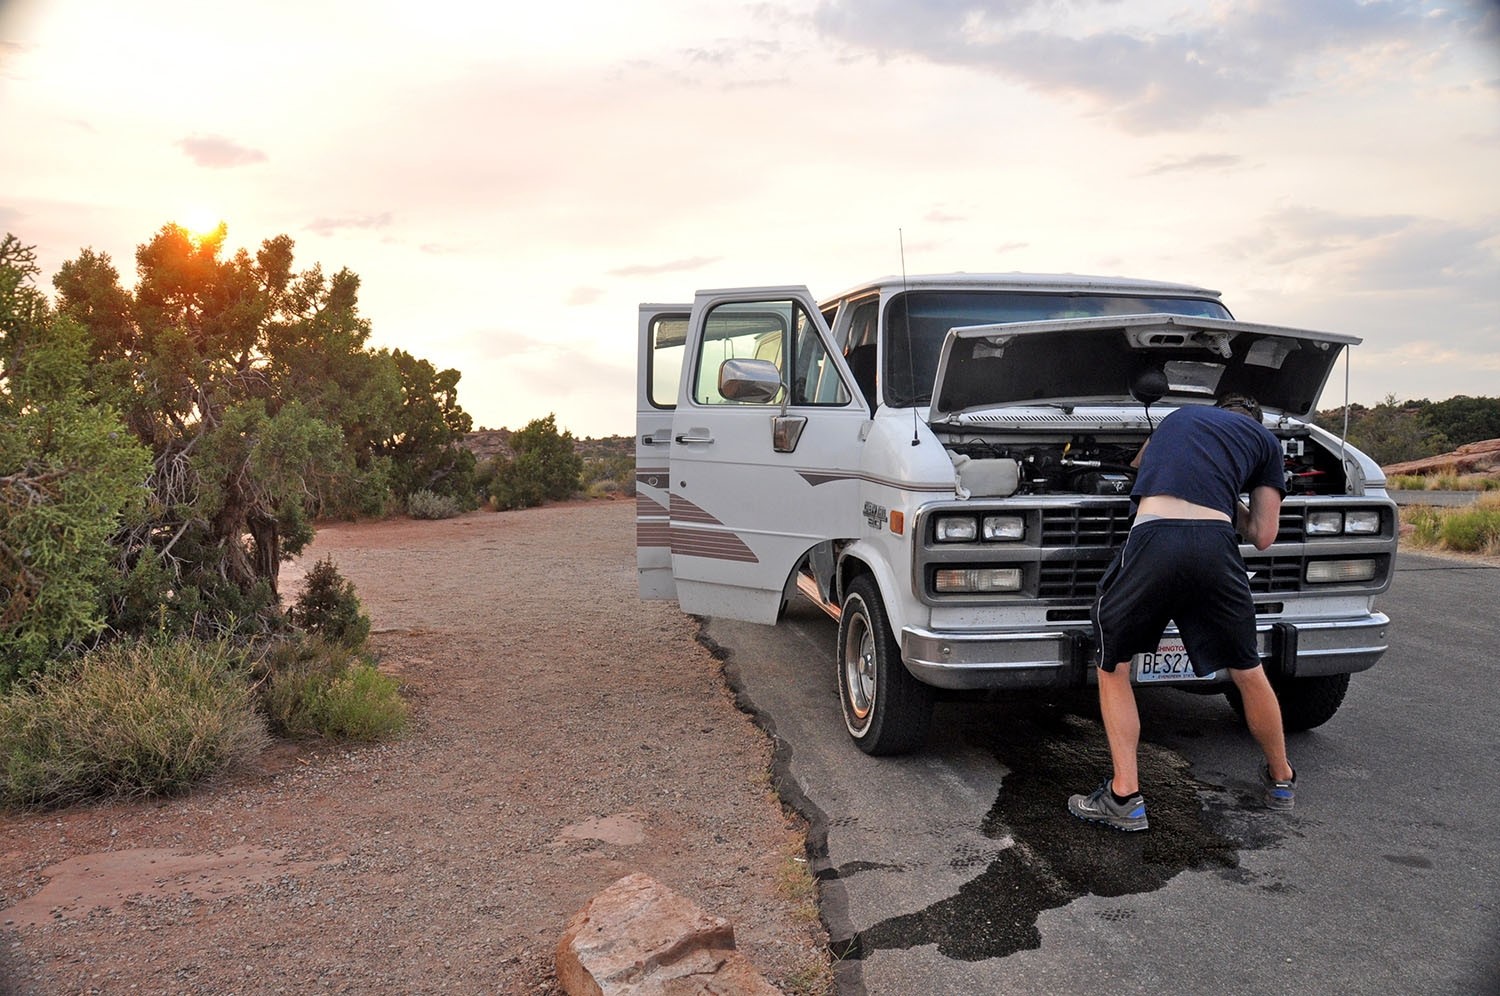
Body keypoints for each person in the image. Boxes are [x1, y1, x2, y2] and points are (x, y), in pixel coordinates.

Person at [1068, 393, 1297, 832]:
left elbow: (1137, 468)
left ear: (1217, 410)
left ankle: (1125, 796)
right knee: (1248, 669)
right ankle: (1281, 780)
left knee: (1112, 664)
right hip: (1215, 543)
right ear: (1255, 419)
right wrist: (1231, 493)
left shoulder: (1180, 417)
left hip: (1154, 536)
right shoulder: (1267, 442)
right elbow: (1263, 535)